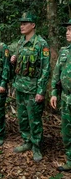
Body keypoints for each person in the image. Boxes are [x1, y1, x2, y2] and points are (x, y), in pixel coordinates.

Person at [10, 12, 50, 162]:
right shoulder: (20, 42)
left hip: (33, 89)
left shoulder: (41, 43)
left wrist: (41, 91)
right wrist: (14, 59)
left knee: (35, 119)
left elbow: (45, 69)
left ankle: (37, 146)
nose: (22, 25)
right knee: (23, 118)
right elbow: (18, 62)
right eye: (21, 23)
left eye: (25, 23)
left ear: (33, 25)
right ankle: (26, 141)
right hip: (20, 87)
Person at [50, 19, 71, 171]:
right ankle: (70, 160)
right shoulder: (64, 51)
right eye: (67, 30)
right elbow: (56, 74)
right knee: (66, 131)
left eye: (70, 30)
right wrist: (53, 93)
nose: (67, 32)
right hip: (66, 97)